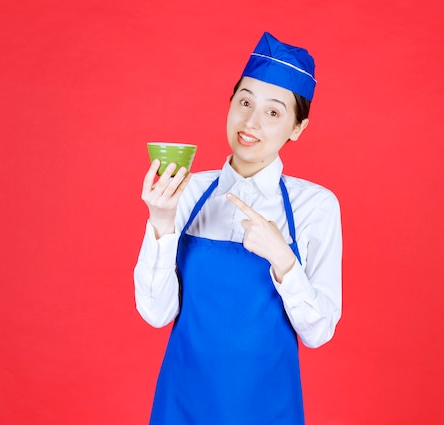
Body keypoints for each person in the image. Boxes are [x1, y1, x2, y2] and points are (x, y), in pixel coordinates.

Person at [134, 31, 342, 425]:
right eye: (244, 102)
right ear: (230, 104)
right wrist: (161, 222)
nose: (251, 122)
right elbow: (155, 314)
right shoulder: (187, 189)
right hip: (182, 404)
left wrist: (283, 258)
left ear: (298, 128)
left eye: (274, 112)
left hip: (268, 407)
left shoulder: (315, 206)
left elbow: (319, 332)